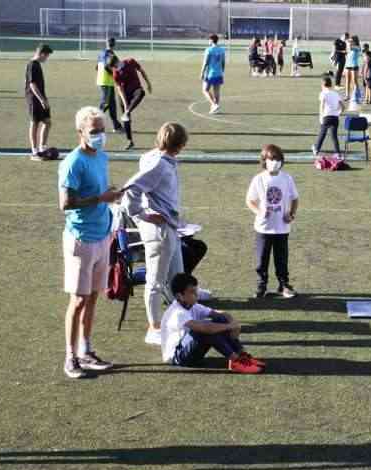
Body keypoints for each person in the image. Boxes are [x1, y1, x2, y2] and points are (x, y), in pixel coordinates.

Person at [58, 106, 123, 379]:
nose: (99, 136)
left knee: (94, 296)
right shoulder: (73, 163)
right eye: (94, 131)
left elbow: (100, 191)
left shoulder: (102, 157)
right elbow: (66, 203)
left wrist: (110, 195)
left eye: (102, 130)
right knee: (79, 299)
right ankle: (70, 357)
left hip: (102, 235)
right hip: (81, 238)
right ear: (81, 132)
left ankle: (86, 349)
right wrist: (100, 199)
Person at [121, 122, 188, 345]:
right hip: (159, 231)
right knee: (156, 281)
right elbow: (132, 188)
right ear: (180, 145)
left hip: (170, 227)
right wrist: (142, 214)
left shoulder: (155, 158)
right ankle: (154, 328)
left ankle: (178, 320)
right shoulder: (159, 163)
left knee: (177, 278)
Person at [161, 273, 264, 374]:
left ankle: (242, 355)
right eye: (192, 292)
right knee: (205, 330)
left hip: (190, 351)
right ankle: (235, 361)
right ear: (180, 296)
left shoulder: (192, 305)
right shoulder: (177, 313)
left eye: (196, 291)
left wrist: (233, 322)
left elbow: (219, 314)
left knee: (221, 320)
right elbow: (205, 328)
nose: (196, 295)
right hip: (178, 357)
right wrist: (230, 326)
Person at [247, 144, 299, 299]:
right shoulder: (258, 179)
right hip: (263, 228)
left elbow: (295, 198)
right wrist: (259, 212)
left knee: (281, 259)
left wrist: (291, 214)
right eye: (271, 159)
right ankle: (261, 285)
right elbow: (250, 200)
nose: (274, 162)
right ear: (264, 160)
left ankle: (284, 285)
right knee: (261, 260)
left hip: (282, 228)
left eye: (277, 159)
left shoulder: (287, 178)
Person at [110, 54, 152, 151]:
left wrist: (148, 83)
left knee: (141, 92)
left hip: (135, 90)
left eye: (115, 66)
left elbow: (142, 71)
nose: (115, 69)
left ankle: (127, 111)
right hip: (124, 95)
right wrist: (126, 106)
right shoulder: (115, 73)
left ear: (118, 61)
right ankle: (130, 141)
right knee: (126, 118)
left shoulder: (130, 62)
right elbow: (120, 89)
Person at [25, 44, 53, 161]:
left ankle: (42, 149)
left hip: (41, 97)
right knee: (35, 123)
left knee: (47, 122)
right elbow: (32, 84)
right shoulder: (32, 65)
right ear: (42, 54)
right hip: (34, 99)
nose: (46, 59)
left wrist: (44, 99)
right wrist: (41, 100)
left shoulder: (37, 65)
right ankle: (34, 152)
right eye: (46, 56)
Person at [312, 76, 344, 157]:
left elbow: (322, 106)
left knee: (322, 134)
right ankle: (337, 152)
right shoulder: (336, 93)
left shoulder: (323, 93)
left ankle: (316, 149)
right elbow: (343, 107)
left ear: (323, 85)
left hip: (326, 116)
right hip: (335, 117)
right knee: (334, 136)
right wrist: (338, 113)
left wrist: (321, 117)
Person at [96, 38, 122, 132]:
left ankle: (116, 126)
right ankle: (93, 124)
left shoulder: (101, 53)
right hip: (106, 82)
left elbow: (96, 67)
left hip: (104, 81)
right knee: (105, 104)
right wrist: (114, 74)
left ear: (106, 44)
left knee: (112, 104)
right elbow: (108, 66)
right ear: (114, 44)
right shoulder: (111, 54)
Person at [201, 34, 225, 114]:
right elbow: (223, 62)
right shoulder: (222, 50)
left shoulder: (209, 50)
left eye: (209, 40)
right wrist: (222, 71)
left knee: (205, 90)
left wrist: (202, 72)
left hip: (210, 73)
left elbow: (205, 63)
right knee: (217, 91)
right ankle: (216, 108)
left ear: (211, 40)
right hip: (219, 73)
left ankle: (214, 104)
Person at [344, 36, 362, 101]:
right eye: (350, 41)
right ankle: (347, 95)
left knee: (354, 81)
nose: (350, 42)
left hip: (354, 65)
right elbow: (347, 52)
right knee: (347, 81)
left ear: (355, 41)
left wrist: (349, 43)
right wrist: (347, 43)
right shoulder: (348, 46)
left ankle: (357, 94)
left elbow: (352, 48)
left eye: (352, 41)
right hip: (348, 65)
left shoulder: (357, 47)